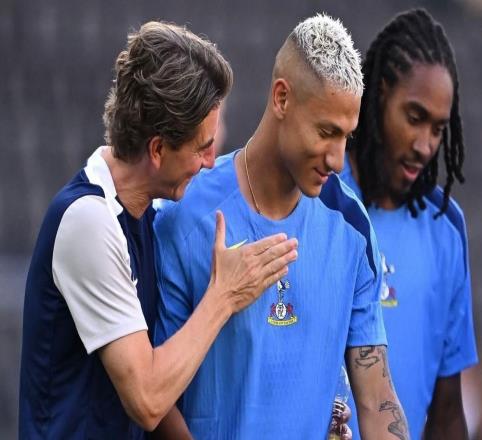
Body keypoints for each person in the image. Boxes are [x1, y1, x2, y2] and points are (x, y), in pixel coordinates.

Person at [18, 21, 299, 439]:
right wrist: (224, 295)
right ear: (157, 149)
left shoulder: (148, 215)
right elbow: (147, 399)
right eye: (202, 147)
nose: (210, 162)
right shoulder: (88, 222)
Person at [154, 14, 408, 440]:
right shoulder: (184, 214)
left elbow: (377, 399)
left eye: (347, 137)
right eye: (326, 132)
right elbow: (155, 400)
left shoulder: (351, 225)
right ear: (282, 98)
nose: (338, 159)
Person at [320, 9, 478, 439]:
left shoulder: (446, 227)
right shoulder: (319, 198)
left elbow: (447, 412)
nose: (425, 145)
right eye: (414, 117)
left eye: (438, 129)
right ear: (379, 96)